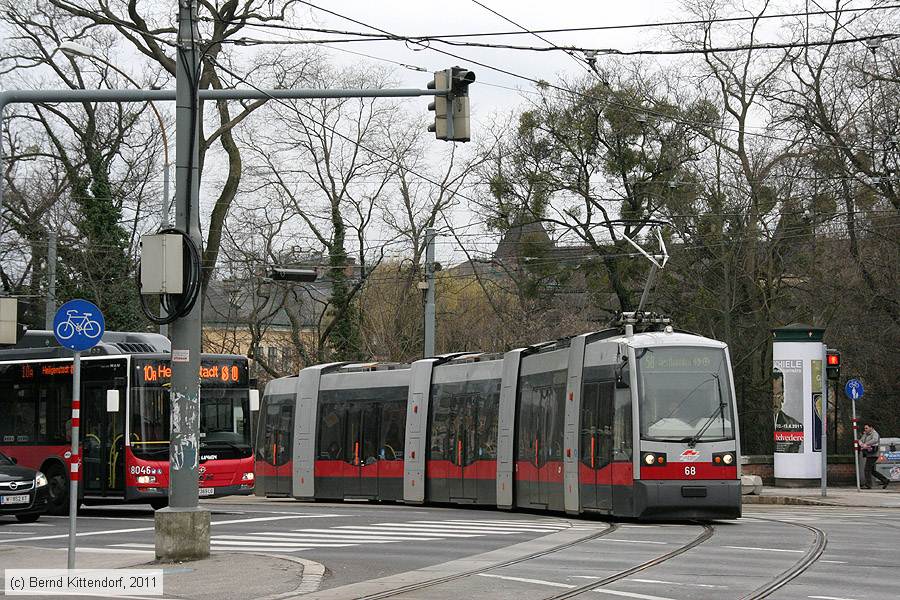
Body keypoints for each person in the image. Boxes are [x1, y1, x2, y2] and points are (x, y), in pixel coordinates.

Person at [858, 423, 889, 489]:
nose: (865, 429)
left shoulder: (875, 433)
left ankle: (868, 484)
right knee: (871, 470)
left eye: (866, 428)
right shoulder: (865, 434)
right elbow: (861, 440)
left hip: (874, 454)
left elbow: (874, 440)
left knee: (867, 469)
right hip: (869, 454)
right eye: (865, 428)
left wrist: (865, 444)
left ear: (871, 428)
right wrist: (861, 443)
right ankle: (885, 480)